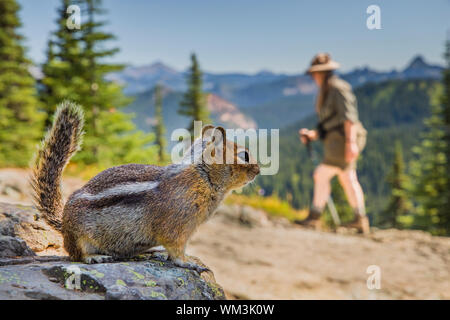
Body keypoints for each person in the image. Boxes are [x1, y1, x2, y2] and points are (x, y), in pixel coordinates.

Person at [297, 53, 369, 234]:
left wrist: (351, 143)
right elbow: (329, 121)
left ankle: (315, 216)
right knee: (347, 177)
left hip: (344, 140)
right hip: (336, 141)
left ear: (322, 73)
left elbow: (349, 118)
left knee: (322, 175)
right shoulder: (326, 90)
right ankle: (359, 219)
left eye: (316, 73)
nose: (314, 77)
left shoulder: (338, 88)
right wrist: (314, 134)